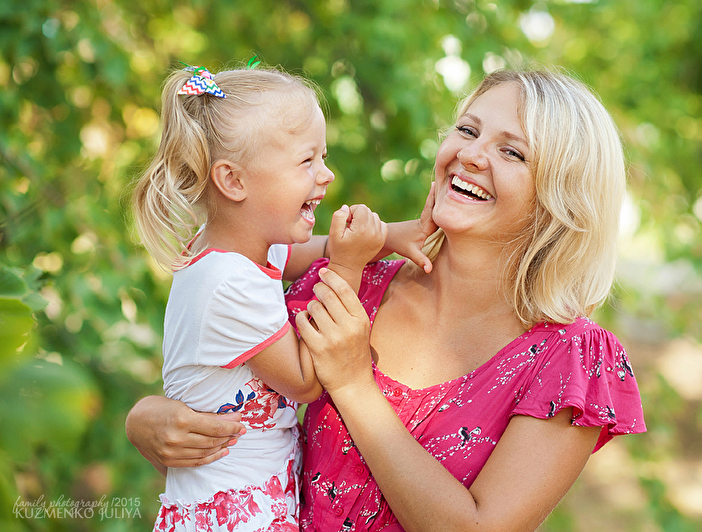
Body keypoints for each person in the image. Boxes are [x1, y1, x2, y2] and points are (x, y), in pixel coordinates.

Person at [127, 67, 646, 532]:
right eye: (467, 131)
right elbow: (232, 380)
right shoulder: (353, 283)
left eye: (512, 152)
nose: (470, 154)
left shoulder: (572, 361)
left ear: (560, 198)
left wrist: (354, 384)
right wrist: (148, 417)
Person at [131, 61, 428, 532]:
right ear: (234, 181)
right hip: (234, 515)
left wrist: (387, 236)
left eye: (322, 157)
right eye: (307, 161)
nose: (326, 175)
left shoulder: (234, 248)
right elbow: (306, 381)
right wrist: (348, 267)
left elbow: (308, 252)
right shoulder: (229, 283)